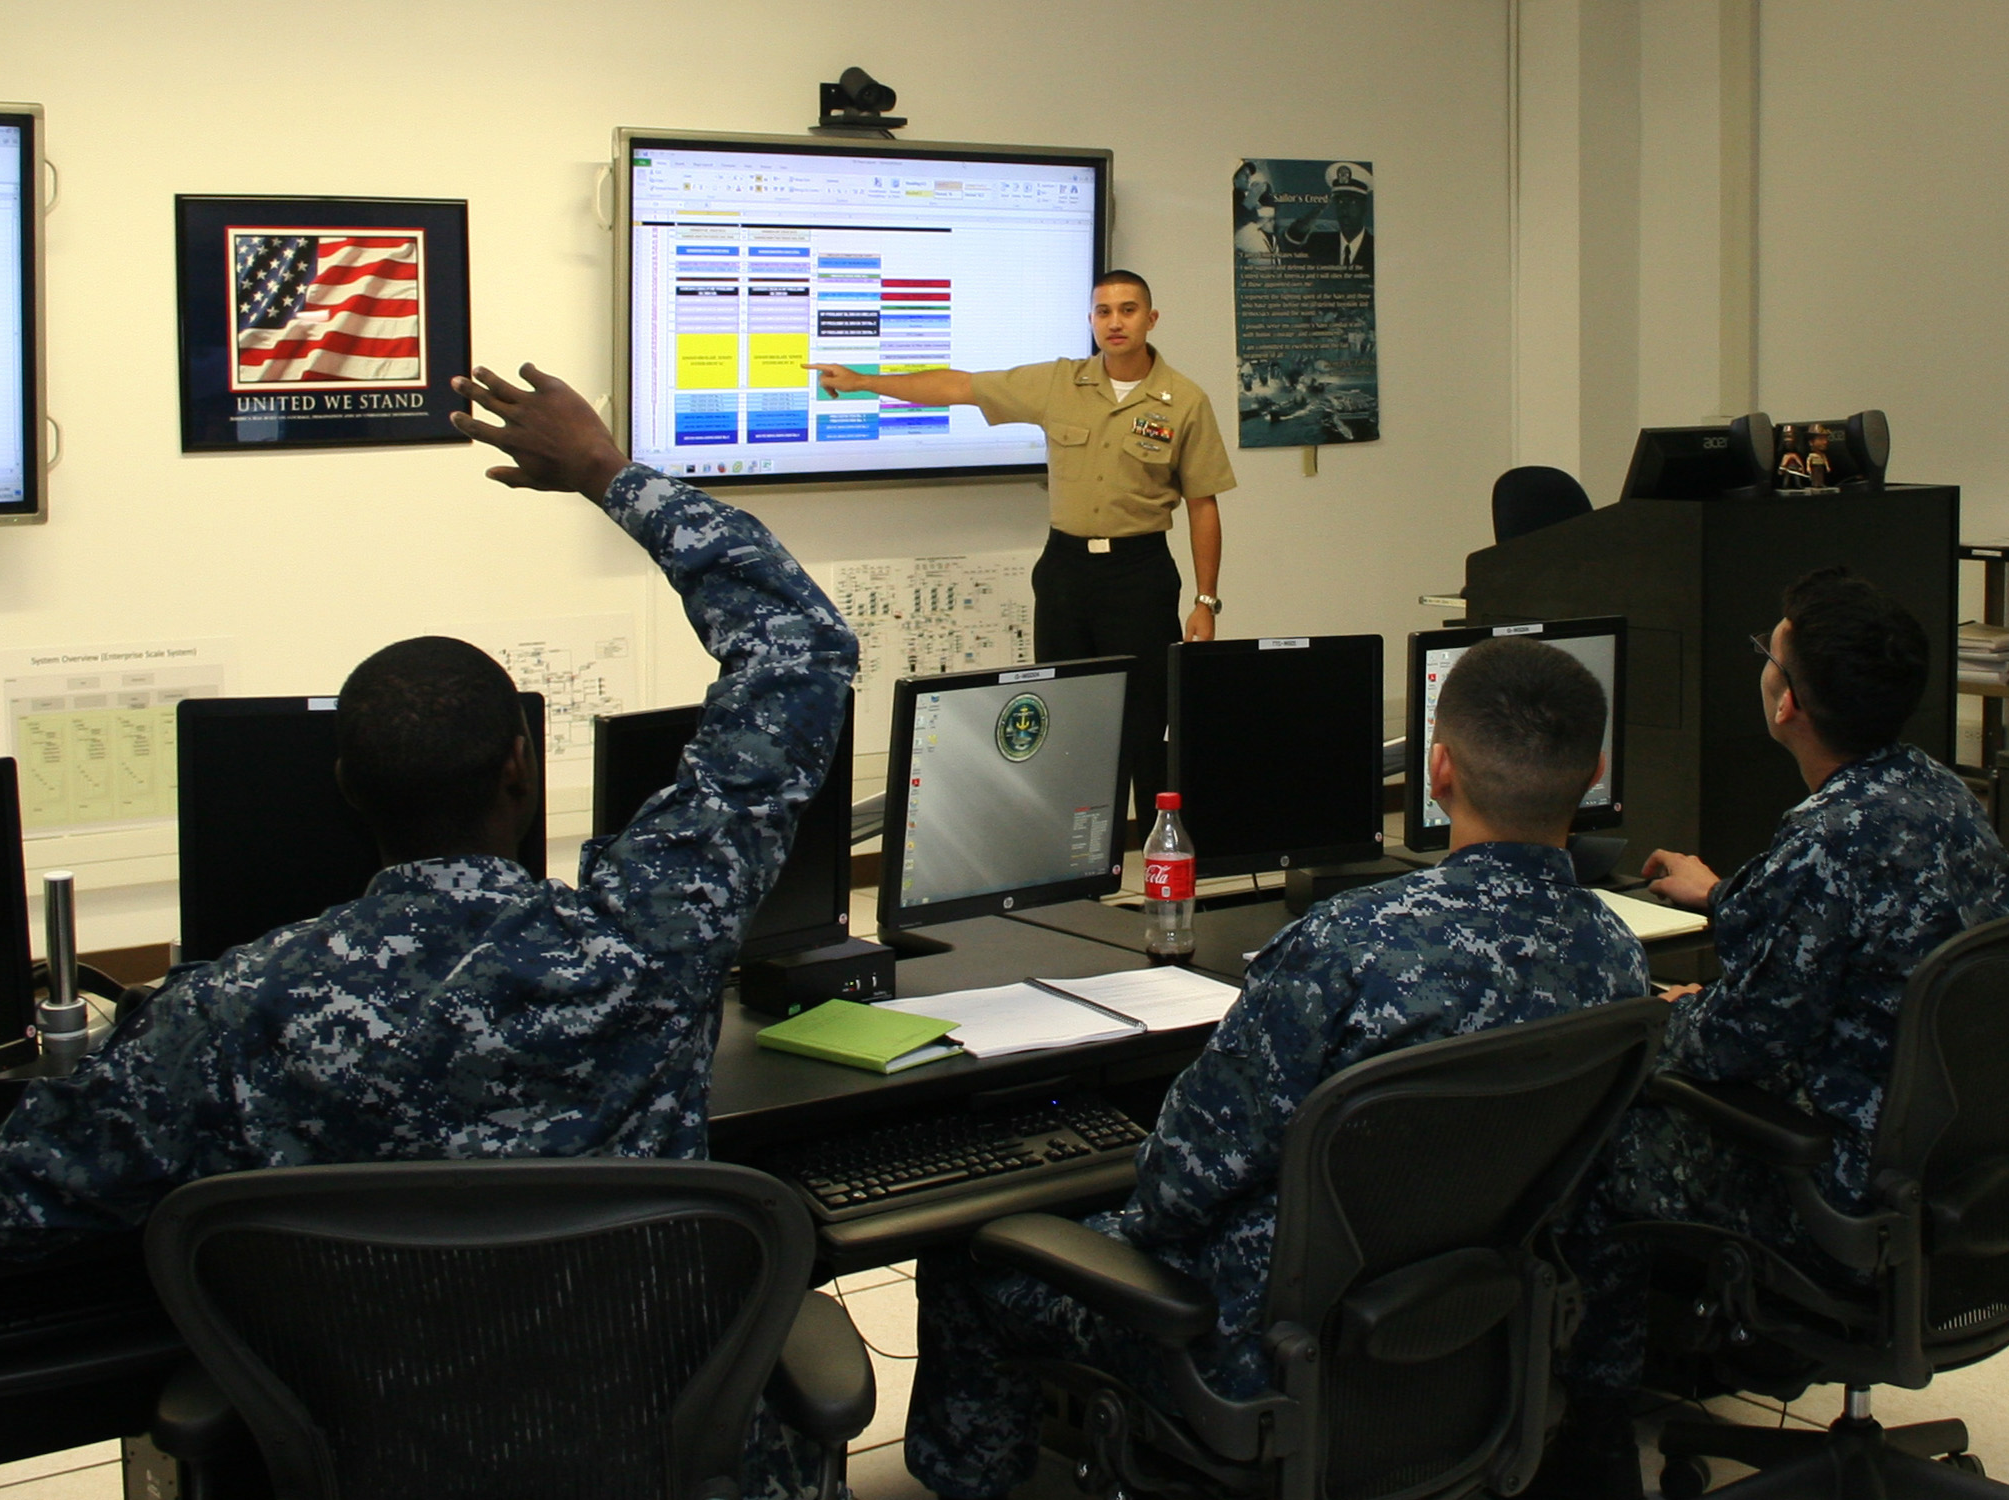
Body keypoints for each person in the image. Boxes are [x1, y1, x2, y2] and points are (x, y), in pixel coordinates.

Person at [0, 362, 857, 1497]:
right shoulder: (649, 949)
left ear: (346, 790)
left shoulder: (233, 1012)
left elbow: (0, 1205)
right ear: (519, 771)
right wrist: (607, 474)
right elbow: (801, 651)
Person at [903, 637, 1651, 1499]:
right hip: (1469, 1329)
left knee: (974, 1254)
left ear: (1437, 771)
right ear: (1592, 770)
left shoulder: (1351, 944)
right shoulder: (1614, 954)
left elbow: (1181, 1182)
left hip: (1254, 1349)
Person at [1544, 566, 2009, 1499]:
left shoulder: (1825, 843)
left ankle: (1588, 1454)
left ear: (1787, 701)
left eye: (1772, 652)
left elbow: (1735, 1049)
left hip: (1839, 1184)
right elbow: (1870, 930)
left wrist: (1655, 1022)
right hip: (1957, 1179)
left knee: (1588, 1147)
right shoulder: (1943, 797)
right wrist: (1725, 897)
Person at [806, 269, 1234, 825]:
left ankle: (1163, 860)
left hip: (1140, 572)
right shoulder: (1058, 383)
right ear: (1091, 321)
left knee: (1147, 723)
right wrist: (866, 383)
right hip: (1065, 572)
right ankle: (1069, 860)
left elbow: (1204, 505)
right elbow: (959, 386)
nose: (1115, 321)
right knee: (1059, 714)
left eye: (1128, 310)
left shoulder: (1185, 401)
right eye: (1103, 311)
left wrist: (1206, 602)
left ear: (1151, 320)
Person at [1287, 161, 1375, 270]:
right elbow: (1289, 253)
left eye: (1352, 202)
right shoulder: (1319, 243)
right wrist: (1315, 213)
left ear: (1364, 207)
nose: (1344, 209)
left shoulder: (1375, 247)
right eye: (1340, 202)